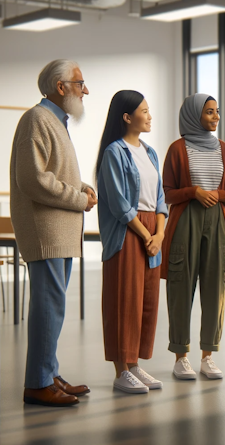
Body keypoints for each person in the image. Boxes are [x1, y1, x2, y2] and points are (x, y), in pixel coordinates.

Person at [11, 59, 96, 407]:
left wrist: (83, 188)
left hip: (58, 229)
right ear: (60, 87)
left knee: (54, 306)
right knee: (49, 306)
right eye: (80, 83)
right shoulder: (37, 119)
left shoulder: (54, 121)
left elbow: (55, 172)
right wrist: (79, 198)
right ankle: (38, 384)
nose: (85, 90)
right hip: (46, 229)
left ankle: (48, 373)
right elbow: (33, 179)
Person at [160, 93, 225, 380]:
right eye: (209, 112)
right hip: (185, 221)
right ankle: (181, 356)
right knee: (181, 285)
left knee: (214, 287)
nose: (215, 116)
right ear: (194, 115)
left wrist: (216, 195)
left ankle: (208, 355)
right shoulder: (177, 150)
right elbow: (167, 193)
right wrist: (193, 192)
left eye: (217, 111)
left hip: (218, 220)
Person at [97, 90, 168, 394]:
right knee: (124, 300)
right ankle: (121, 370)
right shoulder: (115, 151)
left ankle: (136, 364)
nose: (149, 116)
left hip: (153, 230)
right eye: (144, 111)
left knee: (146, 301)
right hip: (129, 231)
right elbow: (119, 203)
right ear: (127, 117)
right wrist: (146, 234)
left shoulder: (150, 152)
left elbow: (161, 199)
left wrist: (160, 234)